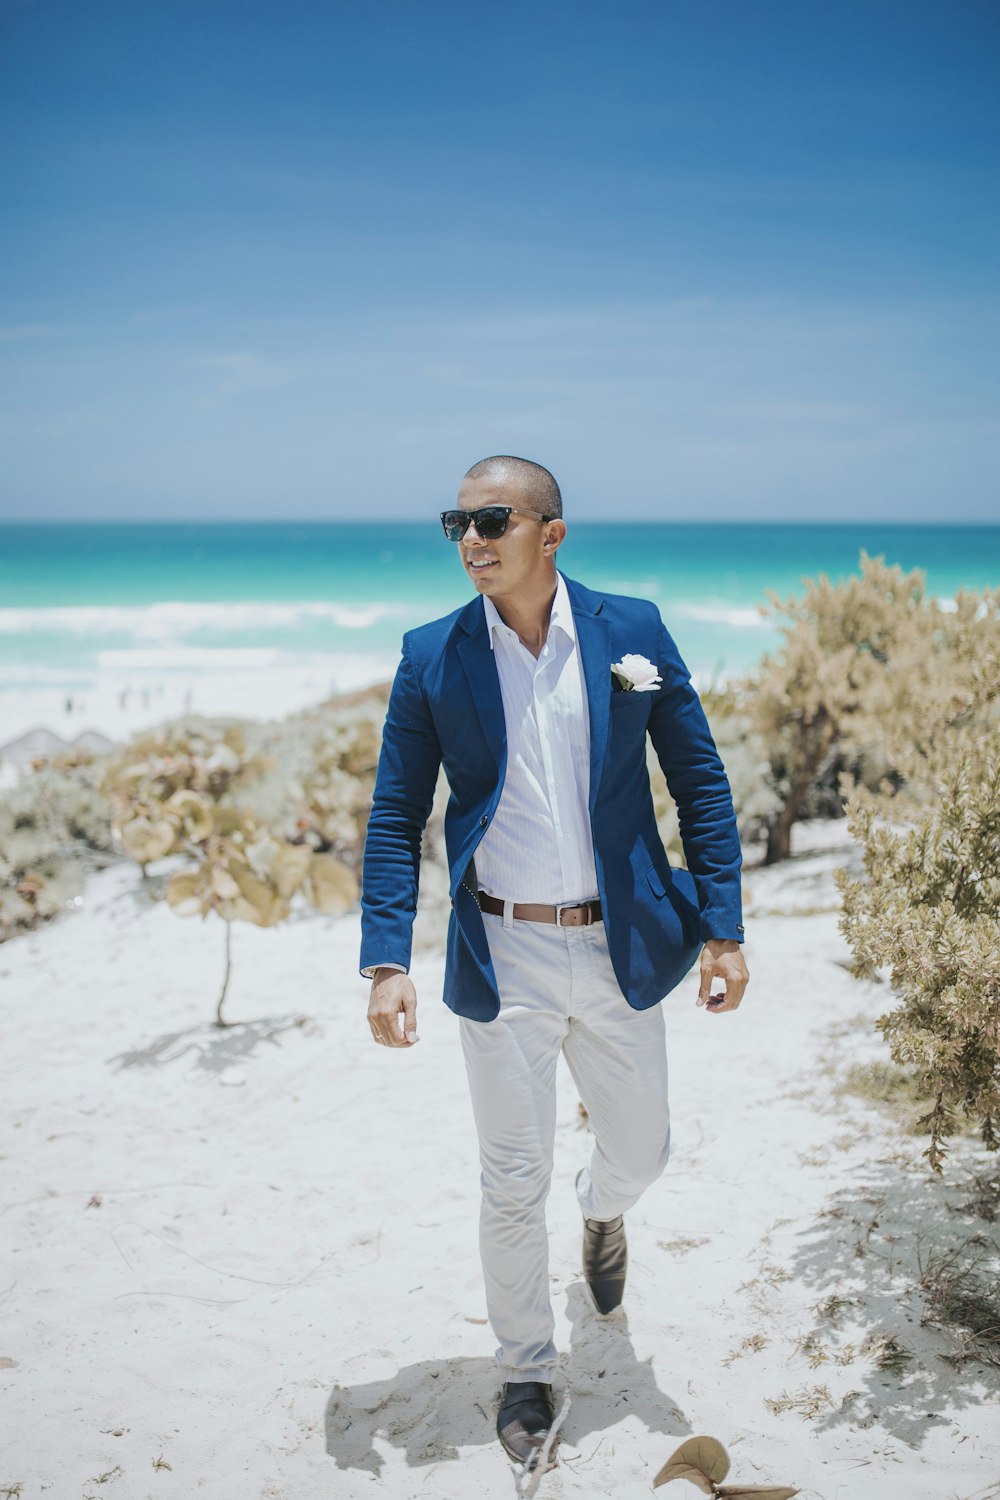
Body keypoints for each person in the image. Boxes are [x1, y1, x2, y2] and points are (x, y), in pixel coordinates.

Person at [359, 455, 749, 1472]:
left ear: (552, 532)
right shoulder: (432, 656)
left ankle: (604, 1216)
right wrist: (384, 959)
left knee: (642, 1151)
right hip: (502, 952)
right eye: (457, 523)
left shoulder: (632, 634)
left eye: (493, 519)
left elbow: (698, 782)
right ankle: (527, 1368)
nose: (473, 540)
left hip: (618, 948)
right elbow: (397, 815)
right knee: (506, 1178)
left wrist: (723, 927)